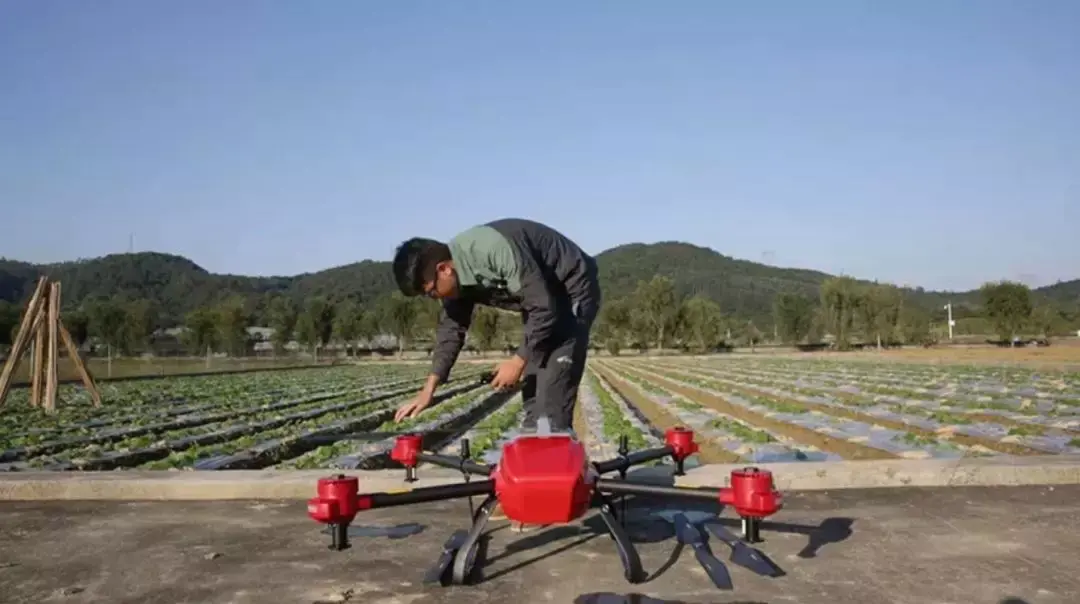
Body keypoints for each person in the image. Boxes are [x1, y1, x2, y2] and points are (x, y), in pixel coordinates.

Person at [391, 218, 602, 436]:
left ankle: (556, 441)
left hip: (571, 288)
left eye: (431, 292)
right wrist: (429, 389)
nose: (433, 298)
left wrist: (517, 361)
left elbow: (543, 307)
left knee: (554, 386)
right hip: (541, 301)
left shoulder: (492, 250)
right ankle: (535, 440)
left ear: (444, 269)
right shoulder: (455, 279)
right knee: (534, 385)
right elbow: (451, 331)